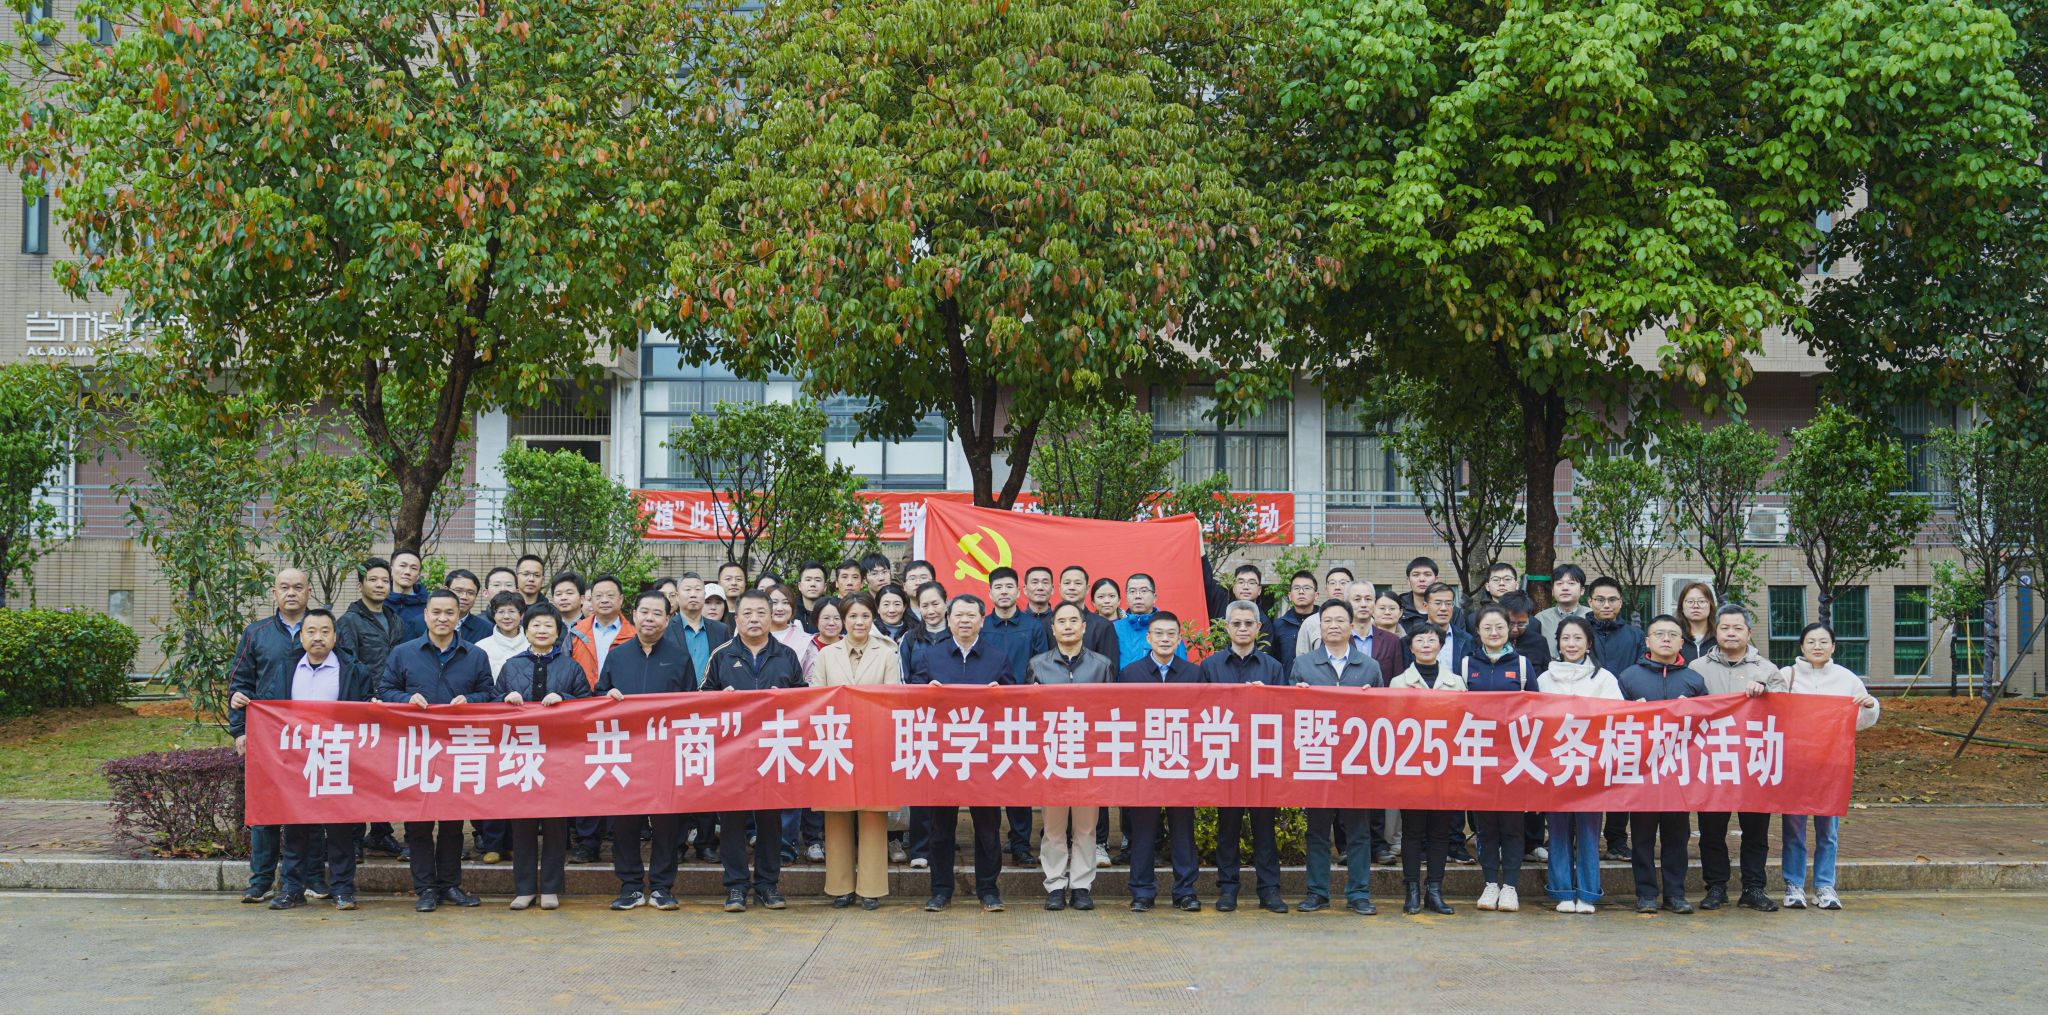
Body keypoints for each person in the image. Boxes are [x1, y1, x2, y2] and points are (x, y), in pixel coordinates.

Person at [233, 608, 371, 912]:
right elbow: (268, 706)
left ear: (335, 636)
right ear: (302, 636)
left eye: (325, 631)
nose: (318, 637)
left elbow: (367, 711)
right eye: (311, 631)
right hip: (296, 760)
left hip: (339, 759)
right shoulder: (286, 667)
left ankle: (343, 889)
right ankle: (292, 889)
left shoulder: (353, 669)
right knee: (295, 828)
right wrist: (243, 705)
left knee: (340, 830)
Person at [378, 589, 499, 912]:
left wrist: (470, 700)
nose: (442, 618)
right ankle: (425, 889)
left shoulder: (475, 655)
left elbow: (490, 693)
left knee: (452, 823)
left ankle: (450, 885)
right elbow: (385, 689)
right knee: (418, 824)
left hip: (457, 749)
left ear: (458, 617)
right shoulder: (404, 653)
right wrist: (406, 699)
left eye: (449, 613)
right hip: (417, 749)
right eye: (436, 612)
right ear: (426, 615)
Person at [1755, 622, 1881, 911]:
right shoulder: (1786, 675)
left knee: (1828, 830)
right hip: (1795, 763)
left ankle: (1825, 885)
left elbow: (1859, 722)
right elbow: (1769, 709)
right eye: (1811, 641)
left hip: (1831, 765)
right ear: (1801, 646)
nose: (1817, 646)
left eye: (1824, 641)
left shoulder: (1846, 678)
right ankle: (1794, 884)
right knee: (1794, 828)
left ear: (1833, 647)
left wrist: (1870, 706)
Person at [703, 590, 806, 912]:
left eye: (761, 612)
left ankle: (767, 885)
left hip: (773, 751)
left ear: (771, 617)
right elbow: (701, 699)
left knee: (771, 822)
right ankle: (736, 887)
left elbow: (804, 699)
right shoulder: (722, 655)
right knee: (732, 822)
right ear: (736, 619)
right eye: (747, 613)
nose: (754, 619)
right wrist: (720, 699)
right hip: (732, 753)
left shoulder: (786, 655)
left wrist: (786, 698)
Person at [911, 594, 1015, 912]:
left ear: (982, 620)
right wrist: (926, 692)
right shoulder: (932, 656)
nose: (965, 620)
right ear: (949, 619)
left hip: (985, 756)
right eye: (959, 615)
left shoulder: (997, 657)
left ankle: (989, 890)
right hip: (944, 755)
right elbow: (911, 697)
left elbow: (1016, 701)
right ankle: (941, 890)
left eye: (971, 615)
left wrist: (1002, 695)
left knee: (988, 828)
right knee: (941, 828)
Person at [595, 591, 697, 911]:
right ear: (634, 614)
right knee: (625, 823)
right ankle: (630, 887)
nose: (649, 618)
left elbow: (691, 704)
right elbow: (598, 695)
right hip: (624, 753)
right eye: (644, 612)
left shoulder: (679, 657)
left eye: (657, 613)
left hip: (665, 754)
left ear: (668, 619)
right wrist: (607, 696)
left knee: (667, 824)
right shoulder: (617, 656)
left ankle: (663, 887)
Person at [227, 568, 316, 904]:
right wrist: (240, 730)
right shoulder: (257, 633)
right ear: (274, 593)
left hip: (312, 737)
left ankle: (311, 878)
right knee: (266, 812)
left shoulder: (320, 628)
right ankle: (261, 880)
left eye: (298, 587)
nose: (291, 593)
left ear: (308, 592)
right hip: (268, 737)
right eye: (284, 587)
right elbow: (239, 686)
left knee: (312, 810)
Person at [1289, 599, 1383, 915]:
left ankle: (1359, 893)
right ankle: (1317, 892)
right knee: (1317, 831)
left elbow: (1382, 715)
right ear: (1319, 626)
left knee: (1358, 832)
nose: (1333, 625)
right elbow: (1288, 715)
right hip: (1318, 760)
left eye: (1340, 620)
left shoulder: (1369, 666)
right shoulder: (1303, 665)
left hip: (1356, 762)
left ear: (1351, 626)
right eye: (1327, 620)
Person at [495, 605, 589, 911]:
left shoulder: (571, 667)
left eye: (549, 625)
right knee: (522, 825)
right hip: (520, 755)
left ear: (558, 632)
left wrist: (565, 699)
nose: (542, 630)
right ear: (526, 630)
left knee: (555, 825)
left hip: (559, 756)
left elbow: (588, 704)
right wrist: (505, 699)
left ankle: (550, 888)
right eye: (536, 625)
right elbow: (492, 704)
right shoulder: (511, 666)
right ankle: (523, 889)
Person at [811, 592, 901, 909]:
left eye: (865, 616)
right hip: (835, 743)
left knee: (873, 816)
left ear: (873, 618)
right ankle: (840, 887)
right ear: (843, 620)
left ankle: (871, 888)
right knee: (836, 816)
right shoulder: (826, 655)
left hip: (875, 744)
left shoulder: (887, 653)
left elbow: (893, 701)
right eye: (852, 616)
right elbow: (816, 699)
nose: (859, 622)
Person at [1689, 603, 1782, 912]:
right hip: (1712, 762)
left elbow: (1787, 710)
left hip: (1753, 761)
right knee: (1711, 831)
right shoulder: (1697, 668)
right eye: (1725, 627)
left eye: (1737, 628)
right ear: (1716, 631)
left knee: (1755, 831)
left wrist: (1767, 692)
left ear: (1749, 633)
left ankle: (1754, 888)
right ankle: (1716, 887)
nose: (1731, 633)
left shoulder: (1767, 670)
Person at [1198, 600, 1288, 914]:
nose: (1242, 629)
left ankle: (1269, 890)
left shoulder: (1273, 667)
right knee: (1228, 827)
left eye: (1249, 623)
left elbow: (1284, 714)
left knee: (1265, 829)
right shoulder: (1210, 666)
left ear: (1258, 628)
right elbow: (1200, 711)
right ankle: (1228, 889)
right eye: (1236, 623)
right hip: (1226, 758)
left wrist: (1266, 697)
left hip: (1261, 758)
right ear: (1227, 627)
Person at [1617, 614, 1710, 915]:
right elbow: (1612, 723)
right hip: (1642, 771)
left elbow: (1708, 725)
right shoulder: (1629, 677)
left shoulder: (1694, 680)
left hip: (1679, 772)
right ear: (1648, 641)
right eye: (1659, 634)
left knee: (1677, 836)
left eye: (1672, 634)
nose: (1666, 639)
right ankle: (1645, 894)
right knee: (1642, 836)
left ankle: (1675, 894)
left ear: (1682, 642)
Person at [1026, 600, 1115, 911]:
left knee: (1086, 827)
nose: (1067, 626)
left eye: (1073, 621)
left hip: (1088, 756)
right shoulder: (1038, 664)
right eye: (1061, 621)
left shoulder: (1101, 665)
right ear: (1052, 629)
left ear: (1084, 626)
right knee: (1053, 826)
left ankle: (1081, 885)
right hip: (1052, 755)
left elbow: (1110, 712)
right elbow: (1029, 714)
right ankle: (1054, 884)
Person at [1117, 611, 1205, 913]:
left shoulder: (1194, 674)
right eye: (1159, 634)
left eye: (1171, 634)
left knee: (1183, 829)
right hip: (1145, 763)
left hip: (1182, 763)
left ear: (1179, 639)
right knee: (1143, 831)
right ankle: (1142, 892)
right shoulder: (1131, 674)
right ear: (1148, 638)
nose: (1165, 639)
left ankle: (1185, 892)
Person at [1535, 615, 1621, 914]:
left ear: (1589, 643)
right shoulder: (1544, 679)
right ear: (1557, 643)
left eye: (1578, 638)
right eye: (1565, 638)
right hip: (1556, 766)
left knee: (1588, 831)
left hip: (1591, 768)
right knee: (1558, 831)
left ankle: (1587, 892)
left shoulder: (1605, 679)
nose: (1571, 644)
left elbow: (1616, 718)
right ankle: (1561, 890)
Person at [1458, 604, 1536, 913]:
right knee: (1486, 825)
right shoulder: (1466, 665)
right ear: (1477, 631)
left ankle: (1511, 886)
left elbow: (1537, 709)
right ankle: (1490, 882)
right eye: (1487, 627)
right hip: (1479, 756)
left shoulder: (1522, 665)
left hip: (1515, 756)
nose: (1494, 632)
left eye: (1500, 627)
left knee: (1512, 825)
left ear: (1510, 630)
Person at [333, 557, 408, 861]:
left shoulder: (395, 619)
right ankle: (353, 837)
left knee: (385, 772)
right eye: (373, 580)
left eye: (384, 581)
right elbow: (348, 665)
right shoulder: (349, 622)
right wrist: (364, 699)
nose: (380, 585)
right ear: (360, 584)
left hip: (391, 705)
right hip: (361, 707)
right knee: (358, 773)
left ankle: (380, 832)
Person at [1388, 625, 1459, 915]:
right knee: (1413, 831)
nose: (1427, 644)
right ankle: (1412, 889)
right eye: (1420, 640)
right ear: (1411, 647)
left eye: (1432, 639)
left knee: (1440, 831)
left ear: (1441, 645)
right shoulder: (1398, 682)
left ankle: (1435, 890)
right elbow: (1390, 722)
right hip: (1412, 767)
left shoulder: (1455, 681)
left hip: (1446, 767)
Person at [982, 566, 1050, 865]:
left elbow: (1041, 666)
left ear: (1018, 591)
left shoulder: (1033, 627)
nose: (1004, 592)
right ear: (990, 593)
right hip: (987, 714)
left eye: (1009, 587)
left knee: (1018, 780)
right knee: (989, 780)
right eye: (998, 587)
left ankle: (1021, 844)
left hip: (1022, 713)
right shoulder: (983, 625)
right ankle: (990, 845)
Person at [664, 572, 730, 863]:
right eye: (687, 589)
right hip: (675, 712)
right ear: (676, 597)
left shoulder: (720, 630)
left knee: (707, 778)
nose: (693, 594)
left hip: (709, 711)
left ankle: (705, 841)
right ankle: (677, 843)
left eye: (698, 589)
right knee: (677, 780)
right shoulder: (667, 628)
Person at [1587, 576, 1647, 860]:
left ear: (1621, 603)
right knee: (1587, 777)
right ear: (1590, 602)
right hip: (1587, 718)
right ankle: (1582, 838)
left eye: (1612, 600)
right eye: (1600, 599)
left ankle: (1617, 840)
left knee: (1620, 778)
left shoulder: (1635, 636)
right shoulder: (1580, 630)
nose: (1606, 605)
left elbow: (1641, 670)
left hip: (1624, 717)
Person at [1345, 583, 1398, 865]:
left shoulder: (1391, 641)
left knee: (1376, 787)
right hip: (1344, 724)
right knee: (1344, 787)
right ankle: (1346, 845)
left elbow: (1396, 680)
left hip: (1380, 724)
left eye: (1368, 599)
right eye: (1357, 599)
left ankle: (1378, 844)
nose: (1363, 604)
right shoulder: (1338, 637)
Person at [1113, 573, 1184, 670]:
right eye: (1132, 591)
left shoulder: (1169, 628)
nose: (1138, 596)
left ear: (1155, 597)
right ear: (1126, 598)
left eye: (1144, 591)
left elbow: (1181, 669)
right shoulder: (1115, 628)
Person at [572, 574, 633, 683]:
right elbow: (564, 670)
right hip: (582, 693)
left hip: (621, 692)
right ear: (591, 600)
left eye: (610, 595)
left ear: (621, 599)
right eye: (598, 596)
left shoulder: (634, 635)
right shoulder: (576, 632)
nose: (604, 600)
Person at [1293, 566, 1357, 661]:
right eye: (1332, 583)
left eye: (1343, 583)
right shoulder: (1310, 622)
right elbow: (1302, 661)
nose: (1337, 587)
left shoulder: (1364, 620)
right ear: (1326, 590)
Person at [1063, 567, 1120, 661]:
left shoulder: (1103, 625)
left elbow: (1109, 666)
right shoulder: (1049, 622)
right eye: (1067, 583)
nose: (1072, 587)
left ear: (1087, 588)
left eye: (1078, 583)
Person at [766, 584, 820, 681]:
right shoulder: (754, 637)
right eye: (774, 602)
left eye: (785, 602)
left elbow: (812, 680)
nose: (780, 608)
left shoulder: (805, 641)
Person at [1398, 557, 1465, 633]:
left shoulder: (1453, 612)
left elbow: (1461, 638)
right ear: (1408, 580)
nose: (1422, 579)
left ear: (1436, 579)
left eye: (1427, 575)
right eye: (1416, 575)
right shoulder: (1398, 610)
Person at [1270, 570, 1321, 670]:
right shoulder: (1278, 625)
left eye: (1307, 588)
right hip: (1288, 679)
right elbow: (1274, 661)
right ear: (1290, 595)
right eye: (1296, 588)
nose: (1301, 592)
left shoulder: (1325, 622)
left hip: (1319, 679)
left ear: (1316, 595)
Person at [1533, 563, 1589, 645]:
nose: (1565, 588)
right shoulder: (1540, 619)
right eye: (1559, 583)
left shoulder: (1592, 617)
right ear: (1552, 591)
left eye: (1571, 583)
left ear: (1582, 590)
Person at [478, 591, 529, 678]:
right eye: (501, 612)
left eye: (511, 611)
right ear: (494, 615)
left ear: (522, 615)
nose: (506, 616)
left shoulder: (532, 645)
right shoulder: (481, 647)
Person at [1421, 582, 1470, 668]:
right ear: (1425, 606)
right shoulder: (1412, 638)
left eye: (1448, 603)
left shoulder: (1466, 639)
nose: (1443, 608)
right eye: (1438, 603)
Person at [388, 549, 429, 640]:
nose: (407, 572)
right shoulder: (379, 601)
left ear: (418, 575)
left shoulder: (429, 605)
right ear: (391, 570)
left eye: (413, 568)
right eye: (402, 566)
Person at [1676, 581, 1718, 662]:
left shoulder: (1720, 637)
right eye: (1690, 601)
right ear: (1681, 607)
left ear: (1711, 606)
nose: (1695, 606)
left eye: (1702, 601)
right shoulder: (1673, 637)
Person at [446, 569, 491, 643]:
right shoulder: (427, 623)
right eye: (458, 591)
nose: (464, 597)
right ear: (446, 590)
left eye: (470, 592)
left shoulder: (486, 629)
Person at [795, 561, 829, 631]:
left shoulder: (832, 610)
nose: (813, 584)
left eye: (818, 580)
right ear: (799, 586)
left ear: (825, 587)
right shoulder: (790, 610)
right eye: (808, 580)